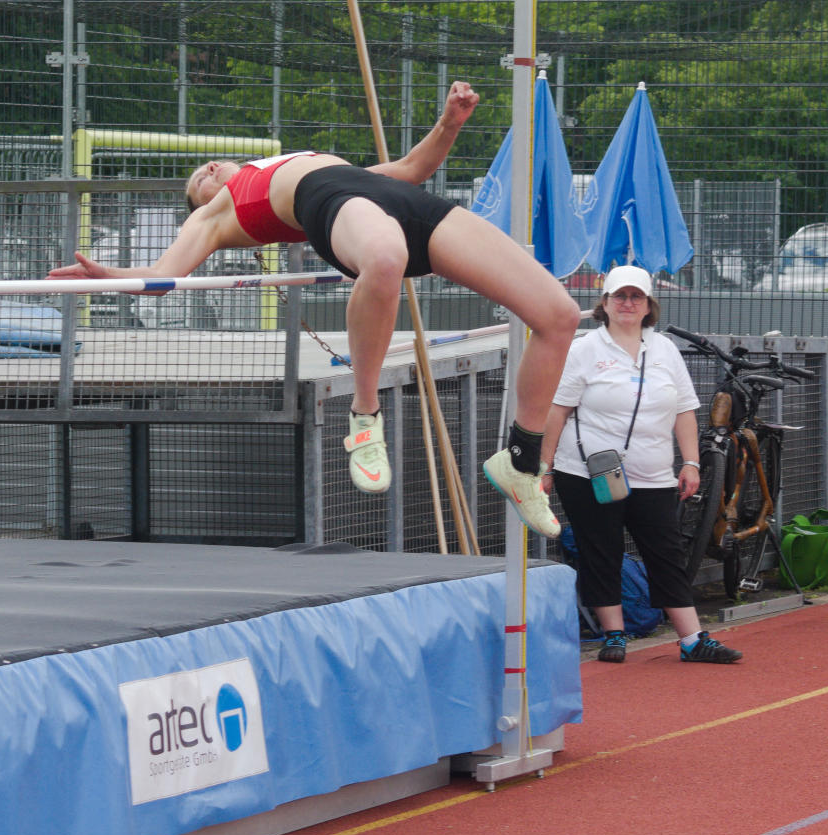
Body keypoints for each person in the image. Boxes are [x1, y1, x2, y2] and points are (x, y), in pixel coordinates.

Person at [49, 81, 581, 536]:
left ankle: (519, 461)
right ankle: (366, 417)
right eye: (200, 179)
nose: (209, 170)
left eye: (209, 169)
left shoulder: (302, 163)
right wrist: (112, 277)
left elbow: (414, 168)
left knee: (558, 315)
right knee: (386, 256)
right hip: (338, 208)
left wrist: (450, 121)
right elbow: (166, 276)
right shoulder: (214, 213)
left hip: (386, 197)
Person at [538, 265, 742, 664]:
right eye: (620, 296)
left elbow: (685, 410)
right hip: (588, 472)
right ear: (605, 303)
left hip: (653, 474)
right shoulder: (584, 349)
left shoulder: (663, 349)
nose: (627, 303)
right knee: (601, 550)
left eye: (636, 297)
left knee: (665, 552)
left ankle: (692, 639)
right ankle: (614, 635)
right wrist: (545, 468)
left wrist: (691, 463)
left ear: (649, 305)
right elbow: (557, 411)